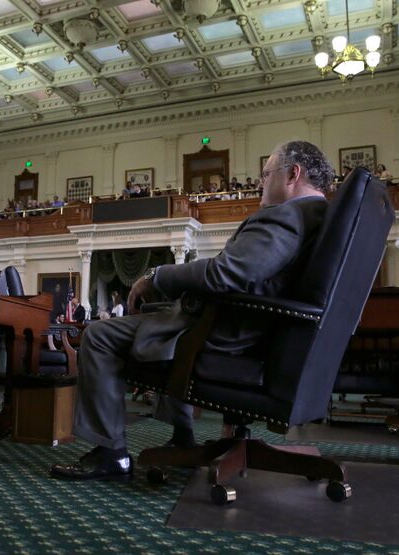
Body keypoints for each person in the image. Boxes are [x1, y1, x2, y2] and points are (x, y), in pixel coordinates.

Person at [50, 140, 334, 481]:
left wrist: (159, 276)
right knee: (162, 323)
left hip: (230, 336)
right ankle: (182, 438)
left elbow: (224, 274)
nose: (261, 181)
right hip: (265, 333)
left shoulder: (287, 217)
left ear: (293, 174)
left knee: (99, 335)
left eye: (266, 173)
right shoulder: (324, 219)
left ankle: (111, 454)